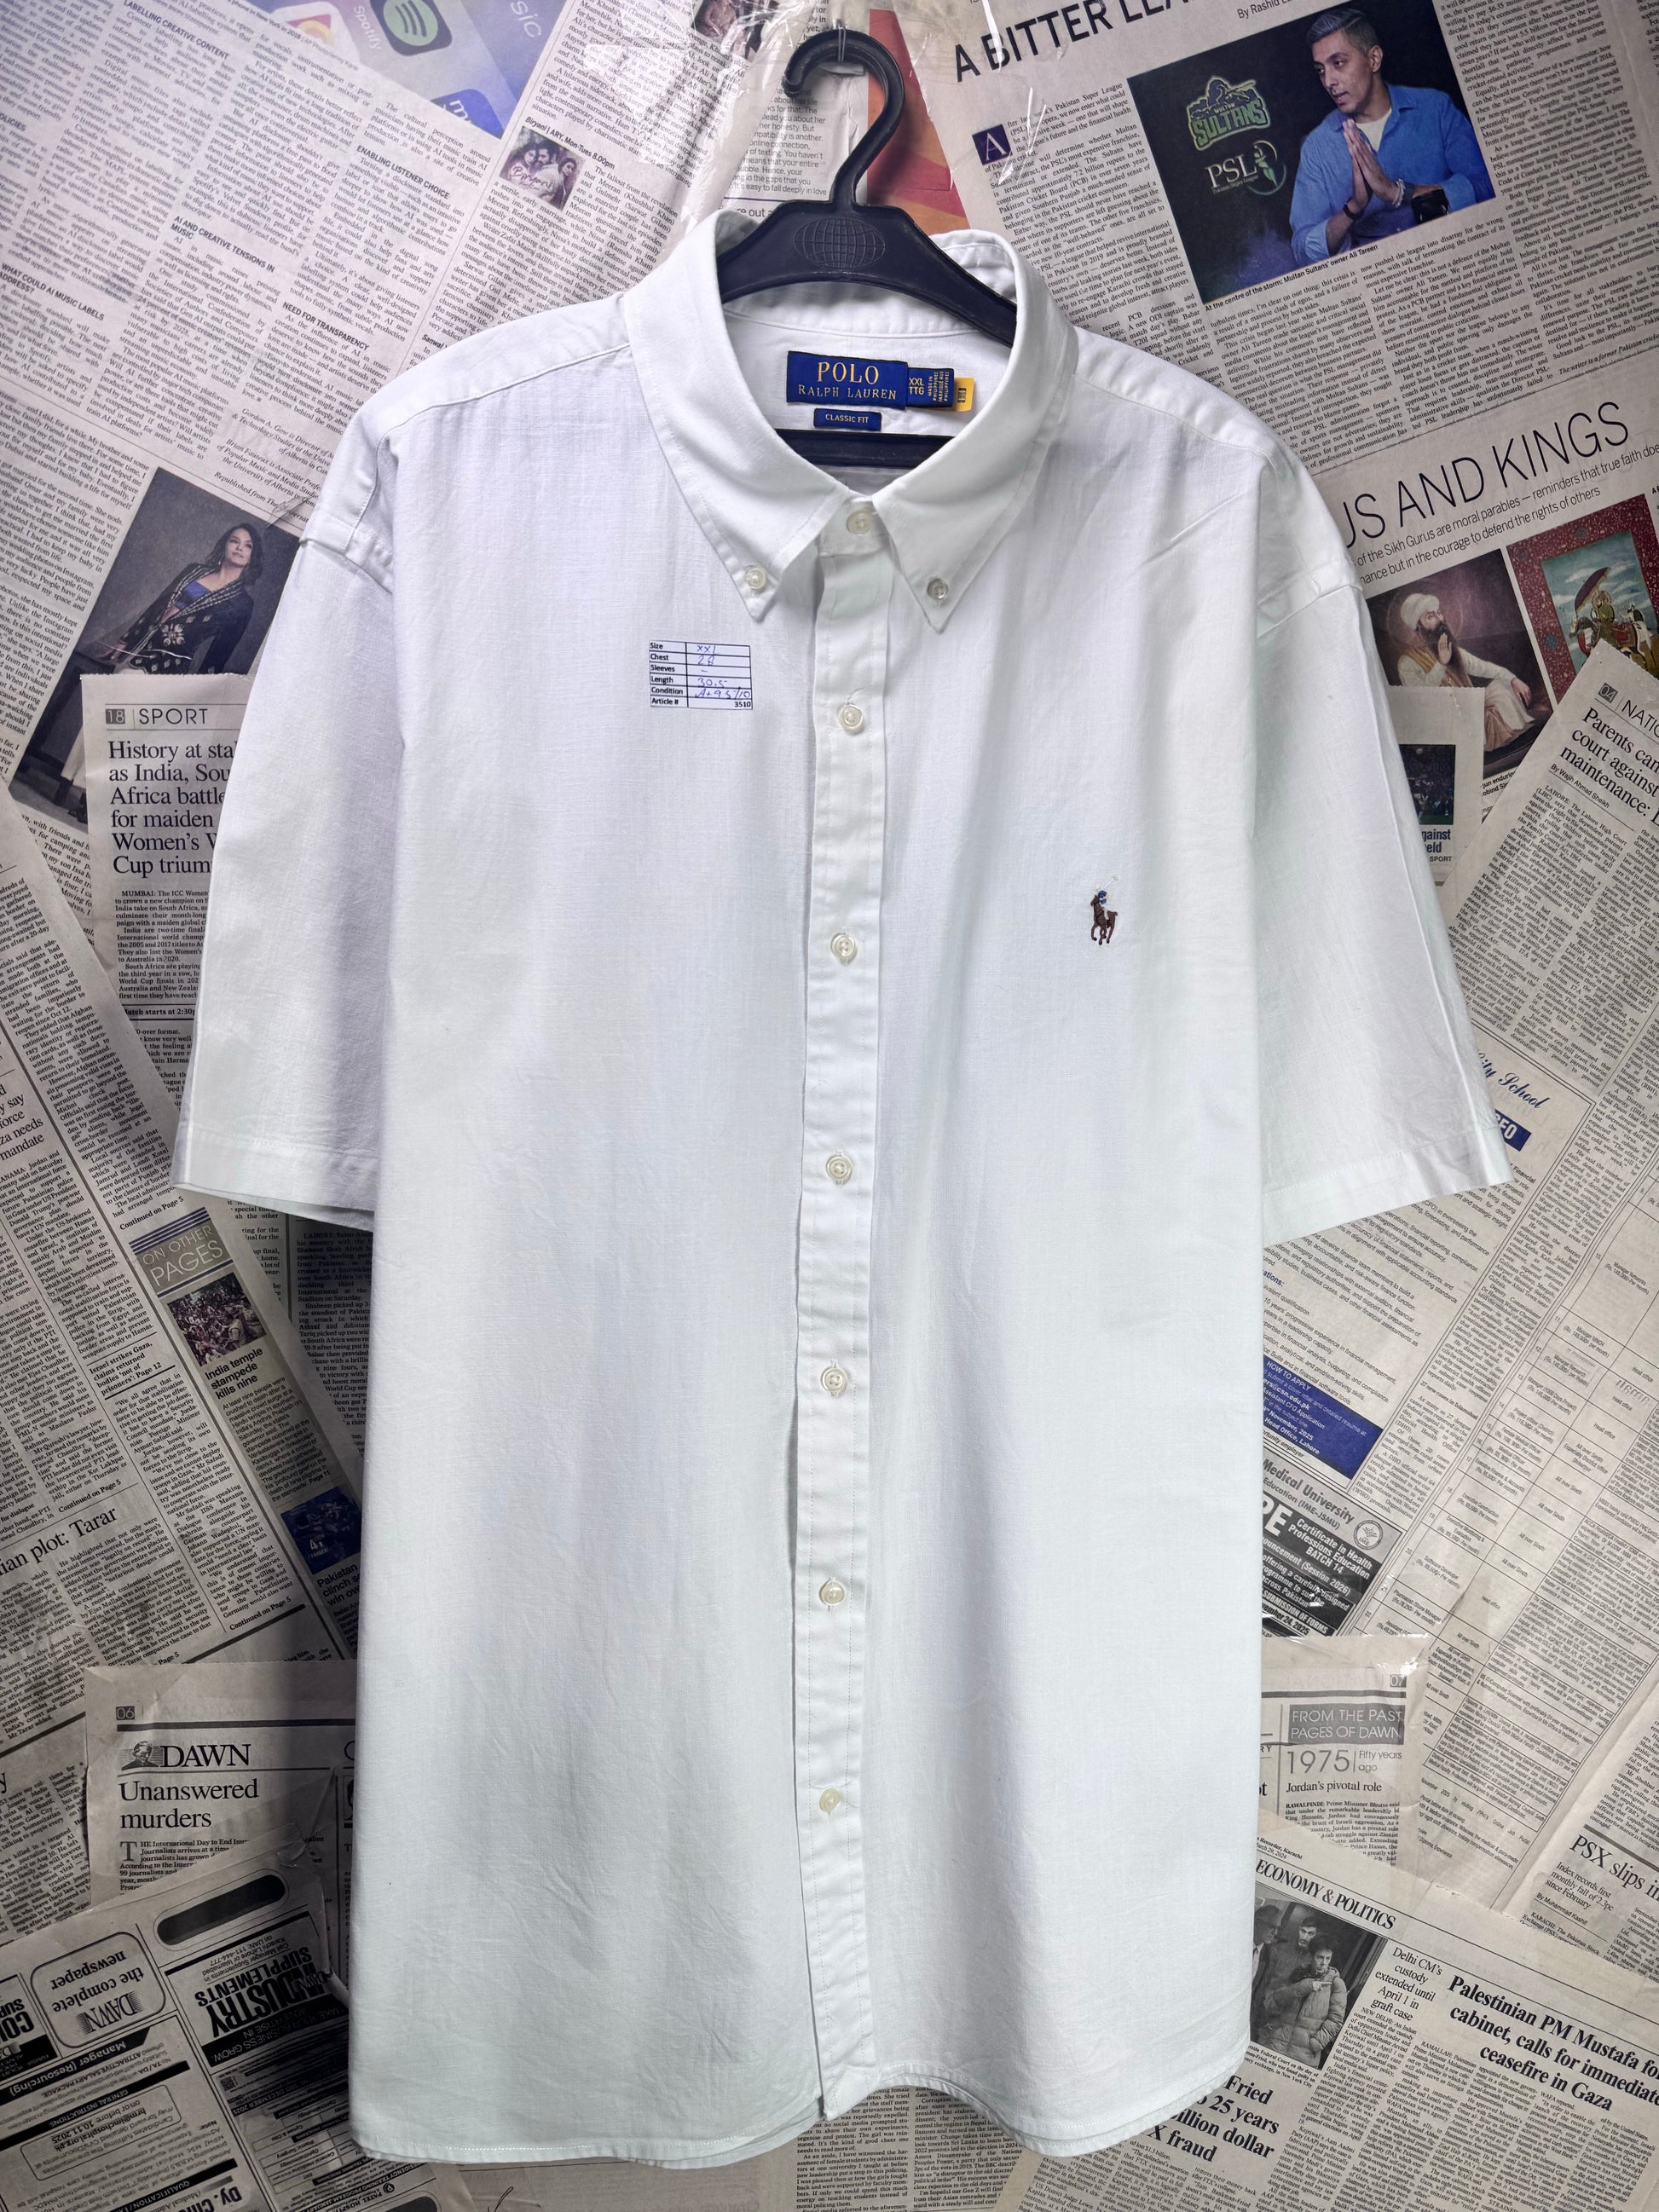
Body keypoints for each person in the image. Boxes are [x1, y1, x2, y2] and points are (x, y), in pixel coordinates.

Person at [1288, 7, 1493, 265]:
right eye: (1320, 70)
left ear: (1374, 59)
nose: (1329, 81)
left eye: (1338, 63)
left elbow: (1487, 187)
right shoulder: (1317, 147)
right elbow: (1302, 250)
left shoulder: (1435, 108)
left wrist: (1399, 193)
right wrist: (1353, 208)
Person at [101, 523, 263, 677]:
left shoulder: (242, 604)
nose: (239, 548)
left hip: (166, 667)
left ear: (252, 556)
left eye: (248, 546)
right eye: (234, 541)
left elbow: (219, 654)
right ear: (225, 546)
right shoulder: (195, 571)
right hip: (139, 646)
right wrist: (127, 639)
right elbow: (159, 606)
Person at [1390, 590, 1534, 751]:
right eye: (1430, 616)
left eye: (1439, 613)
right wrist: (1441, 663)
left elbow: (1482, 667)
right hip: (1446, 719)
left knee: (1502, 686)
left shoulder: (1448, 647)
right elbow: (1422, 697)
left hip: (1469, 706)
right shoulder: (1407, 662)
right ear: (1418, 626)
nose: (1439, 620)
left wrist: (1513, 679)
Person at [1261, 1942, 1349, 2065]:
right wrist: (1305, 1986)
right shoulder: (1298, 1974)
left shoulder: (1336, 1984)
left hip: (1305, 2053)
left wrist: (1317, 2042)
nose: (1323, 1962)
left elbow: (1336, 2020)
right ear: (1312, 1956)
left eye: (1328, 1958)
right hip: (1278, 2043)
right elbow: (1278, 1998)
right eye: (1320, 1957)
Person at [1251, 1914, 1320, 2042]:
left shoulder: (1315, 1963)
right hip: (1259, 2013)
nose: (1305, 1937)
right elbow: (1260, 1980)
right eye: (1303, 1931)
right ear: (1299, 1929)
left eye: (1310, 1934)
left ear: (1317, 1935)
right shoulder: (1278, 1949)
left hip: (1282, 2023)